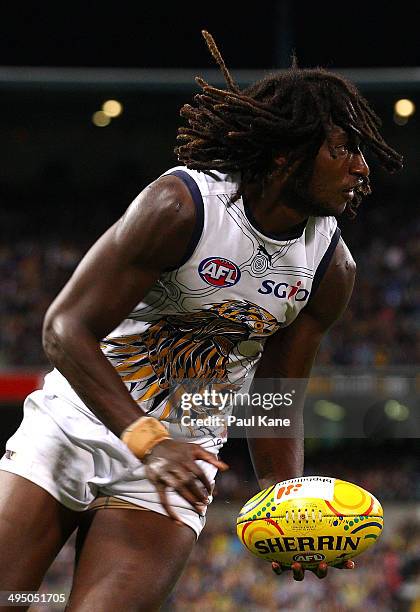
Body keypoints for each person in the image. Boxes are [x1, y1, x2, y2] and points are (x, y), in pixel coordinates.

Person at [0, 31, 403, 610]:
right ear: (288, 153)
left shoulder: (331, 266)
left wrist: (284, 499)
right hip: (74, 427)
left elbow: (275, 391)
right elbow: (64, 328)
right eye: (343, 148)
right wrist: (146, 438)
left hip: (179, 463)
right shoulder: (182, 206)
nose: (361, 168)